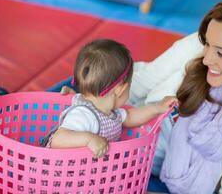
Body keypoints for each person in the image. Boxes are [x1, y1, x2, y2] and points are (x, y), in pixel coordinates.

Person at [50, 0, 222, 193]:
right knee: (80, 83)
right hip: (116, 121)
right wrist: (94, 99)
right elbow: (144, 79)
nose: (207, 57)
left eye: (221, 53)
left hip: (151, 175)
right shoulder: (196, 49)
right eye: (207, 43)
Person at [42, 39, 177, 158]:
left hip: (86, 172)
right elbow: (58, 139)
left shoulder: (112, 112)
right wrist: (89, 139)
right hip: (61, 174)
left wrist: (157, 107)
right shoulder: (84, 115)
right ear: (121, 89)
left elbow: (130, 117)